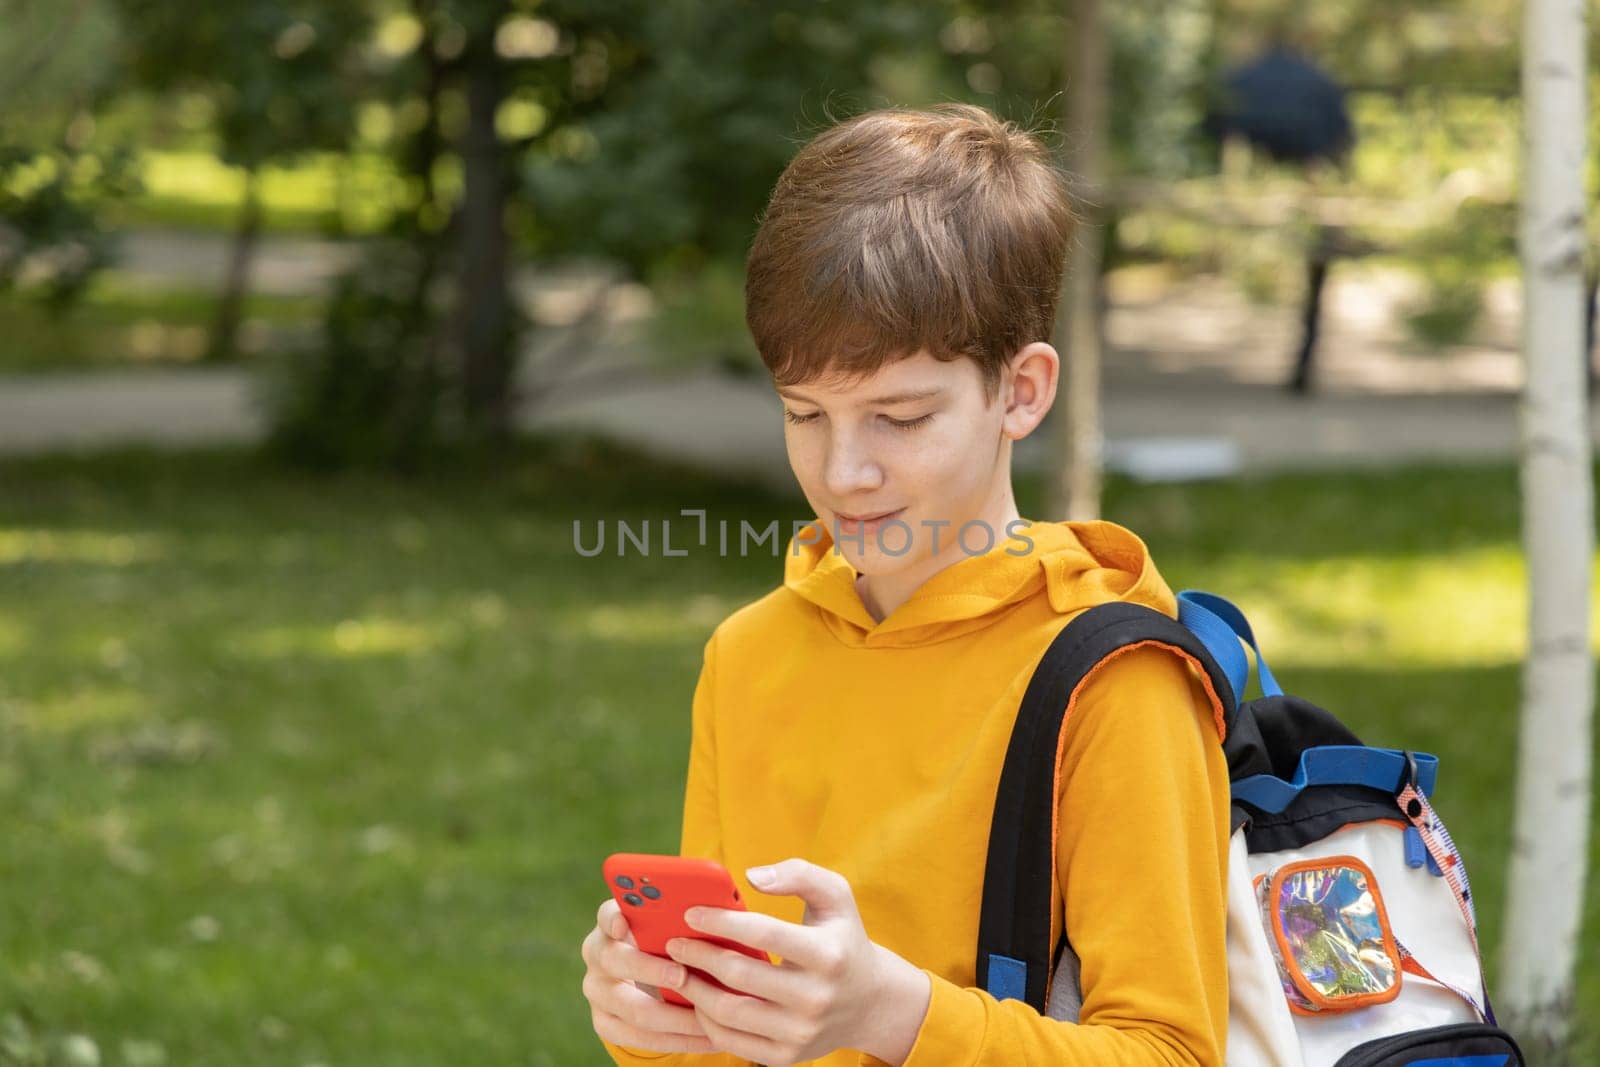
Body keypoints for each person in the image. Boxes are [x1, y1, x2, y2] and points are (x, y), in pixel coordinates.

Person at [578, 103, 1230, 1066]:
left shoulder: (1114, 682)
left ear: (1021, 391)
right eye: (806, 412)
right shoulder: (749, 655)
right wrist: (658, 1022)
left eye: (900, 416)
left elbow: (1171, 1050)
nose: (844, 472)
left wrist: (896, 1014)